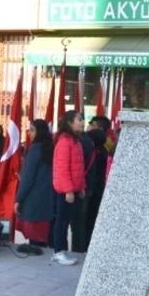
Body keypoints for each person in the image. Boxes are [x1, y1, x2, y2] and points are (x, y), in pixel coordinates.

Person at [15, 119, 55, 255]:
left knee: (34, 236)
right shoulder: (50, 147)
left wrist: (18, 198)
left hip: (33, 196)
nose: (29, 133)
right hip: (48, 196)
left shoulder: (35, 149)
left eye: (32, 130)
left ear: (39, 131)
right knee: (43, 236)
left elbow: (28, 177)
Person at [51, 110, 85, 266]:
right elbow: (62, 168)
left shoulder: (75, 141)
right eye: (79, 119)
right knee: (62, 221)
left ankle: (63, 251)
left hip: (74, 190)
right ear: (70, 122)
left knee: (67, 221)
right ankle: (59, 251)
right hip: (66, 191)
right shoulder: (64, 141)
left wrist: (81, 186)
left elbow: (78, 167)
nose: (82, 122)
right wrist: (68, 190)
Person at [80, 117, 110, 252]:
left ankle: (84, 247)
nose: (88, 126)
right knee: (91, 220)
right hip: (99, 189)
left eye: (91, 124)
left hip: (90, 189)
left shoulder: (93, 150)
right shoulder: (105, 149)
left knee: (85, 220)